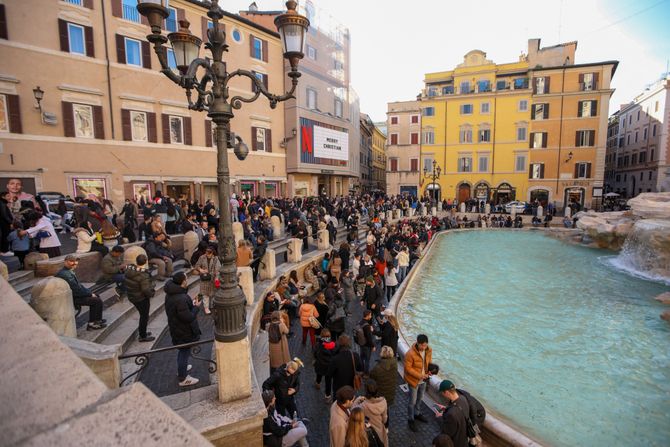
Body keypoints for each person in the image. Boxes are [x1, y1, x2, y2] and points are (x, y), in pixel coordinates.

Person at [164, 271, 201, 387]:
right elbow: (188, 317)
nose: (187, 280)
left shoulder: (171, 294)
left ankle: (182, 369)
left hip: (177, 328)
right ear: (182, 282)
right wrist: (195, 307)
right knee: (184, 352)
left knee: (183, 351)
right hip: (183, 330)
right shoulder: (180, 298)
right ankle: (183, 378)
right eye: (186, 279)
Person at [55, 254, 106, 330]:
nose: (74, 263)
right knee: (96, 300)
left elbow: (79, 286)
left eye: (76, 261)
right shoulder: (65, 274)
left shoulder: (68, 272)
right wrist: (89, 294)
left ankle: (97, 320)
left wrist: (90, 293)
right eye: (71, 261)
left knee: (96, 296)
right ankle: (92, 324)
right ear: (65, 262)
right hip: (70, 298)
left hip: (73, 295)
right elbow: (76, 289)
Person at [124, 254, 156, 342]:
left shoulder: (130, 268)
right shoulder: (143, 275)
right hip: (140, 298)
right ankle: (143, 336)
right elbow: (146, 289)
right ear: (146, 262)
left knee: (143, 315)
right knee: (144, 316)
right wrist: (151, 294)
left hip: (133, 296)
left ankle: (143, 332)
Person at [404, 334, 433, 432]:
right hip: (414, 381)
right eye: (422, 346)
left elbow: (428, 362)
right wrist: (420, 376)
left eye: (425, 345)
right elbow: (408, 369)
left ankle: (417, 413)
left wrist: (430, 370)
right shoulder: (410, 353)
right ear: (418, 343)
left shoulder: (429, 350)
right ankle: (410, 418)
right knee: (412, 401)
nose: (424, 347)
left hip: (423, 380)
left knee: (420, 398)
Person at [355, 379, 389, 446]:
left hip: (369, 432)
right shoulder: (383, 401)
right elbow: (385, 420)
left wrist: (357, 400)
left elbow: (353, 409)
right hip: (380, 430)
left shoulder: (363, 406)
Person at [438, 380, 469, 447]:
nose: (443, 395)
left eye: (442, 393)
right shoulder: (463, 399)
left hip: (455, 443)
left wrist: (439, 417)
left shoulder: (451, 414)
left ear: (446, 392)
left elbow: (446, 432)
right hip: (464, 439)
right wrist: (446, 409)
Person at [193, 246, 221, 315]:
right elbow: (197, 265)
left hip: (212, 278)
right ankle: (206, 308)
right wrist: (201, 270)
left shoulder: (216, 259)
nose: (207, 254)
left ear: (212, 253)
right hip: (204, 278)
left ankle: (211, 305)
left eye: (209, 253)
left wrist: (217, 278)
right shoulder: (202, 257)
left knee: (212, 293)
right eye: (206, 252)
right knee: (205, 294)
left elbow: (218, 269)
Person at [313, 328, 336, 401]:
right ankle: (328, 396)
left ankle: (318, 383)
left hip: (320, 364)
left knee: (319, 375)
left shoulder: (318, 345)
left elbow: (315, 354)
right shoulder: (333, 345)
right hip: (329, 366)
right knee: (328, 381)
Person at [357, 310, 375, 374]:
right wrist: (373, 346)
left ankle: (361, 369)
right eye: (370, 315)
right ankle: (366, 373)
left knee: (361, 357)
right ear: (367, 316)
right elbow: (369, 338)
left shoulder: (360, 322)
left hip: (361, 343)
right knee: (367, 359)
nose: (371, 316)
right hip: (367, 345)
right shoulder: (367, 326)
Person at [0, 191, 13, 256]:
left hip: (4, 223)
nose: (9, 197)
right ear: (3, 197)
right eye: (8, 196)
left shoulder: (3, 203)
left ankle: (3, 251)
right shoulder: (2, 204)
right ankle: (4, 251)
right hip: (4, 223)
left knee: (4, 236)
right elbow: (4, 215)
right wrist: (10, 222)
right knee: (5, 236)